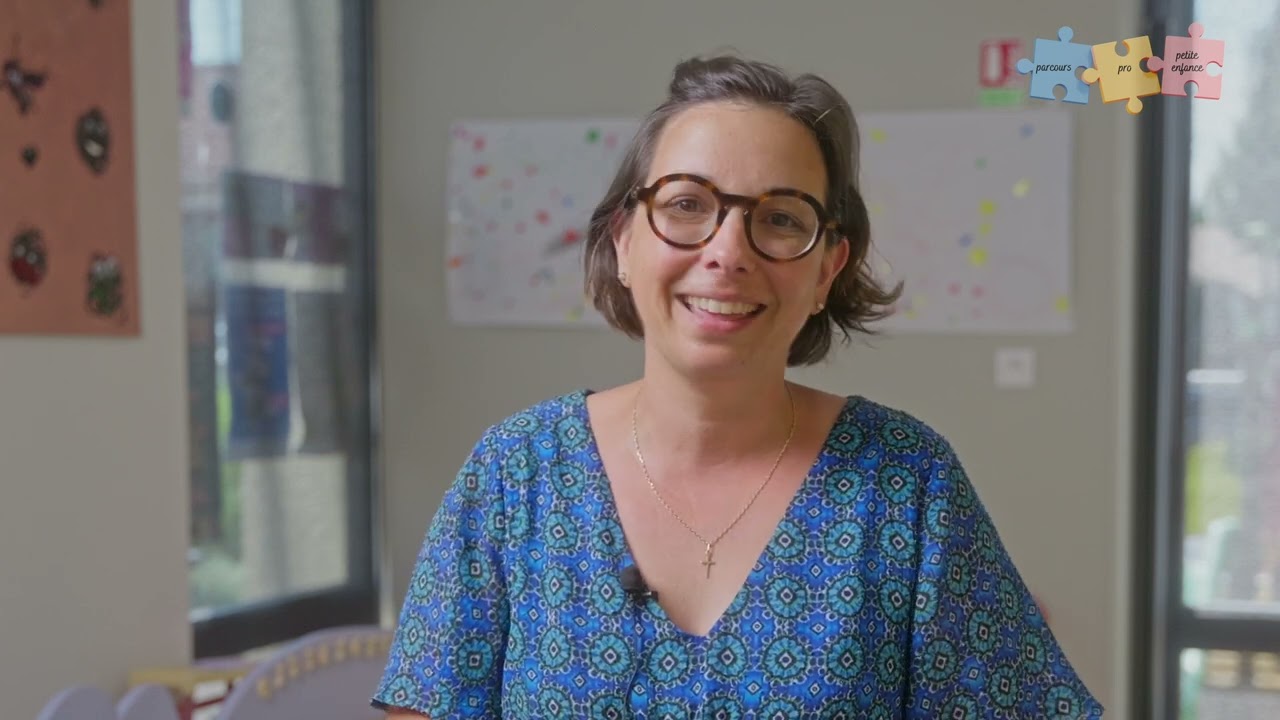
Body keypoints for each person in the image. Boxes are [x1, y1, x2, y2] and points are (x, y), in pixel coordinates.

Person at [373, 54, 1103, 719]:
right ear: (625, 241)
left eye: (780, 219)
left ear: (826, 271)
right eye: (687, 204)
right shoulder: (515, 474)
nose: (727, 252)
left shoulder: (908, 485)